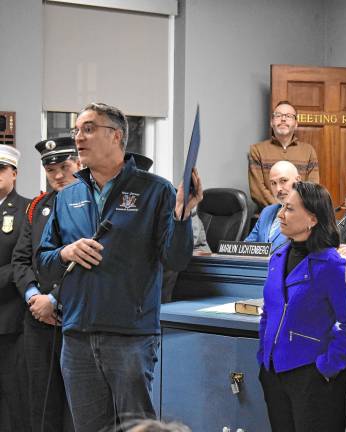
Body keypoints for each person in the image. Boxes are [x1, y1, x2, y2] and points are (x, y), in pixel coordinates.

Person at [37, 102, 202, 432]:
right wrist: (66, 253)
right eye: (76, 130)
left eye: (88, 129)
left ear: (116, 136)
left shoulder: (155, 190)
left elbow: (176, 260)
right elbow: (43, 263)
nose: (79, 138)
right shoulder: (67, 197)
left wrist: (182, 214)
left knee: (137, 428)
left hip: (130, 337)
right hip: (77, 336)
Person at [258, 181, 346, 432]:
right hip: (274, 373)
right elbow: (268, 312)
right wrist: (263, 355)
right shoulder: (277, 258)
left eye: (289, 209)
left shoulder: (332, 264)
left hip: (313, 378)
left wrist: (327, 367)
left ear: (312, 218)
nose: (280, 214)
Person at [12, 137, 80, 432]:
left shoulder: (91, 205)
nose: (59, 176)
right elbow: (20, 260)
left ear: (79, 163)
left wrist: (53, 298)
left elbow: (85, 262)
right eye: (51, 170)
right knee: (40, 403)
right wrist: (33, 297)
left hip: (73, 316)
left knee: (77, 405)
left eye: (65, 167)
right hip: (37, 319)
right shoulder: (38, 207)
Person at [0, 144, 31, 431]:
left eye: (1, 169)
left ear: (14, 173)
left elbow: (25, 261)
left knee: (14, 399)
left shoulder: (27, 210)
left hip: (10, 320)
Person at [248, 101, 319, 209]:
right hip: (267, 217)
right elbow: (257, 191)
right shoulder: (257, 150)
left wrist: (295, 211)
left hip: (300, 217)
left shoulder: (309, 151)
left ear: (296, 124)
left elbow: (312, 188)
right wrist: (281, 211)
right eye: (278, 115)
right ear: (272, 122)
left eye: (289, 116)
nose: (283, 119)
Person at [245, 160, 300, 252]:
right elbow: (247, 248)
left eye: (283, 181)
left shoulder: (307, 213)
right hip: (261, 265)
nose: (278, 189)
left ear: (298, 180)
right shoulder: (267, 211)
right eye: (273, 183)